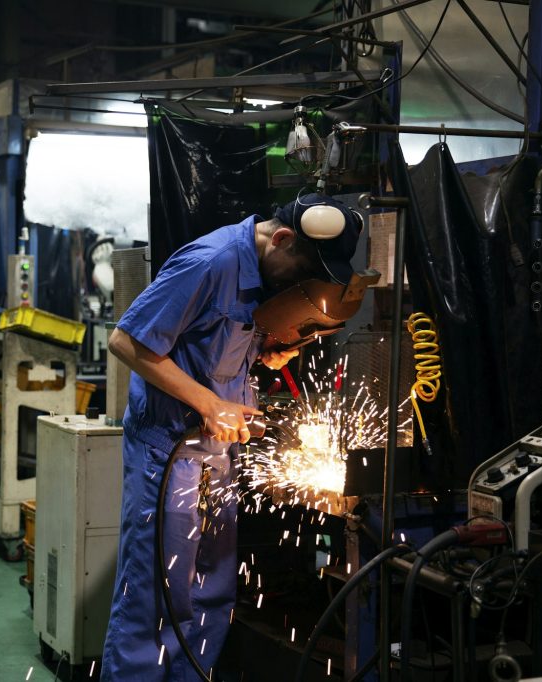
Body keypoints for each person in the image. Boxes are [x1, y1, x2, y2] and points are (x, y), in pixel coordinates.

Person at [101, 194, 362, 681]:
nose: (297, 282)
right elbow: (127, 341)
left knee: (210, 592)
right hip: (168, 451)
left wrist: (266, 351)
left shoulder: (259, 272)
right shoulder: (209, 262)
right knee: (157, 595)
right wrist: (209, 403)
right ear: (281, 238)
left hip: (217, 456)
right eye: (300, 269)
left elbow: (213, 341)